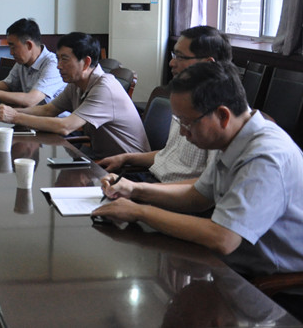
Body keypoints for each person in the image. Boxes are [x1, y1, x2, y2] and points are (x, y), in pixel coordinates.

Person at [94, 62, 303, 280]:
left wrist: (140, 212)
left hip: (272, 284)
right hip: (234, 265)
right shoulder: (234, 138)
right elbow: (197, 197)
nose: (183, 133)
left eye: (187, 123)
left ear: (222, 116)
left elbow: (223, 238)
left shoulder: (265, 157)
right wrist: (135, 190)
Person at [97, 25, 231, 182]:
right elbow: (168, 156)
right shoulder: (186, 103)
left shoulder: (219, 116)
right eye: (174, 55)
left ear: (207, 64)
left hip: (169, 191)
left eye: (180, 57)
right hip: (151, 180)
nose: (171, 63)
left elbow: (208, 185)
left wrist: (138, 190)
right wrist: (125, 158)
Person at [0, 32, 149, 158]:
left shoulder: (104, 88)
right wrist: (7, 111)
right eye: (58, 59)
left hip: (128, 170)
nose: (59, 66)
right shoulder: (76, 83)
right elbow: (48, 110)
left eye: (64, 59)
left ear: (86, 62)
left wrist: (14, 117)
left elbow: (65, 126)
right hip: (101, 160)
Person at [0, 18, 65, 106]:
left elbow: (31, 100)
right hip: (31, 115)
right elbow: (8, 84)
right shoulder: (22, 61)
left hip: (54, 119)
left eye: (13, 47)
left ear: (29, 45)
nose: (11, 53)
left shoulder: (53, 65)